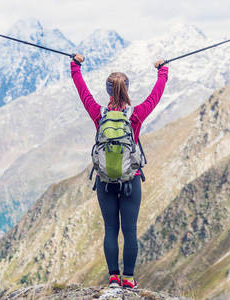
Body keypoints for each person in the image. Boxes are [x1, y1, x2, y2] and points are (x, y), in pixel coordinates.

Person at [70, 53, 168, 289]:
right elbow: (157, 94)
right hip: (130, 180)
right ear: (127, 89)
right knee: (130, 231)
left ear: (108, 91)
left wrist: (75, 65)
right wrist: (162, 70)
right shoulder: (136, 115)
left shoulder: (98, 114)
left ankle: (114, 277)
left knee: (111, 229)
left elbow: (81, 90)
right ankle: (129, 279)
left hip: (105, 181)